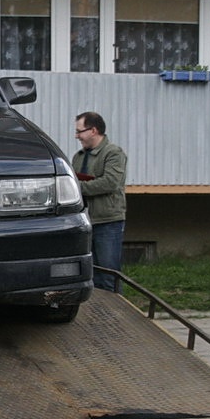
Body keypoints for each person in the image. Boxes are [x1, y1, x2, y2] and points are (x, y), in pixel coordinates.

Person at [72, 112, 127, 291]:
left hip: (107, 220)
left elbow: (110, 182)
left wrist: (76, 187)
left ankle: (116, 313)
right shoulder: (78, 156)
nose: (77, 136)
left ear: (93, 130)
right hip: (85, 221)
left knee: (109, 273)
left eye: (80, 131)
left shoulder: (113, 153)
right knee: (90, 272)